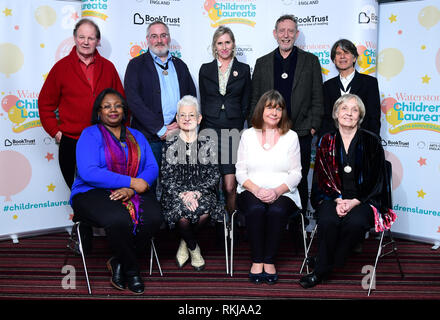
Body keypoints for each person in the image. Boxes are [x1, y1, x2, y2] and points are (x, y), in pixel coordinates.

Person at [70, 88, 163, 294]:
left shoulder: (136, 135)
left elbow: (152, 167)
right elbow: (89, 172)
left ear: (124, 110)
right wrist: (131, 182)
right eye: (107, 106)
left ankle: (118, 261)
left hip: (131, 190)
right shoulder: (90, 134)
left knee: (155, 218)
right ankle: (132, 271)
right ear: (99, 112)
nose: (113, 110)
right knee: (119, 219)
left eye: (118, 105)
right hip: (90, 192)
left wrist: (131, 189)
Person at [299, 94, 396, 289]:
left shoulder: (371, 141)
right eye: (344, 109)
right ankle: (326, 264)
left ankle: (323, 268)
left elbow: (376, 179)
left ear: (360, 116)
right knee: (328, 220)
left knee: (355, 223)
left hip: (365, 200)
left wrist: (355, 201)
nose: (348, 114)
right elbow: (322, 176)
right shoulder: (326, 140)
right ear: (336, 113)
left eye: (354, 110)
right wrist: (338, 199)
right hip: (332, 197)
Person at [38, 18, 125, 190]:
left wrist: (120, 134)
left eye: (91, 38)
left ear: (97, 41)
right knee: (78, 194)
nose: (86, 42)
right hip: (72, 142)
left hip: (105, 140)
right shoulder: (60, 68)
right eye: (82, 37)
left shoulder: (108, 68)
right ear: (75, 38)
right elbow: (45, 104)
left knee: (107, 193)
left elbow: (122, 103)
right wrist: (55, 132)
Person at [250, 14, 323, 213]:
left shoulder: (311, 61)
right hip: (268, 133)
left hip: (300, 132)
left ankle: (299, 224)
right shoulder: (262, 62)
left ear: (297, 34)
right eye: (282, 31)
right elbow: (255, 98)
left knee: (298, 180)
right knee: (267, 176)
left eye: (291, 31)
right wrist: (255, 126)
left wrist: (313, 126)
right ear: (275, 34)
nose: (286, 35)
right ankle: (270, 220)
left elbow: (318, 96)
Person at [235, 90, 302, 284]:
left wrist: (276, 191)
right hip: (250, 188)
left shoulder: (291, 137)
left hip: (284, 190)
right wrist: (257, 190)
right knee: (255, 208)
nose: (274, 112)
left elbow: (296, 173)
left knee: (277, 211)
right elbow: (240, 172)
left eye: (279, 108)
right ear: (261, 110)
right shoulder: (247, 135)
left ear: (283, 112)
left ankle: (269, 260)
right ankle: (257, 260)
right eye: (270, 107)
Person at [160, 95, 225, 271]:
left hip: (202, 193)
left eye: (191, 115)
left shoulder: (208, 142)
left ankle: (185, 243)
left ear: (199, 118)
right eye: (182, 115)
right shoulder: (170, 143)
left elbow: (214, 175)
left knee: (204, 212)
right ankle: (194, 249)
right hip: (175, 194)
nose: (187, 119)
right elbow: (166, 176)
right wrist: (183, 194)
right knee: (182, 215)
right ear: (177, 118)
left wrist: (196, 193)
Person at [124, 21, 197, 174]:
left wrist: (180, 123)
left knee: (176, 186)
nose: (159, 40)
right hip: (148, 137)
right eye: (154, 36)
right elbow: (133, 100)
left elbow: (191, 98)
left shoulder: (180, 65)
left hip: (178, 135)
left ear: (169, 38)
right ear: (147, 39)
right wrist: (160, 129)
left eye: (163, 36)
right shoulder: (136, 65)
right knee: (147, 185)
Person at [198, 25, 251, 217]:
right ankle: (213, 225)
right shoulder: (205, 69)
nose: (224, 47)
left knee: (229, 186)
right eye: (220, 43)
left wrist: (238, 122)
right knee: (211, 184)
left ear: (233, 44)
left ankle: (232, 224)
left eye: (227, 42)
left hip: (232, 132)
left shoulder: (243, 70)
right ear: (214, 46)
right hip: (209, 130)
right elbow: (203, 99)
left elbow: (247, 101)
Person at [319, 39, 381, 137]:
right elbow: (326, 118)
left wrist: (370, 142)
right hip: (335, 142)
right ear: (334, 60)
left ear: (354, 58)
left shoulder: (369, 83)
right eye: (338, 53)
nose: (342, 56)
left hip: (362, 141)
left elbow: (374, 118)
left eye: (346, 52)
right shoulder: (327, 86)